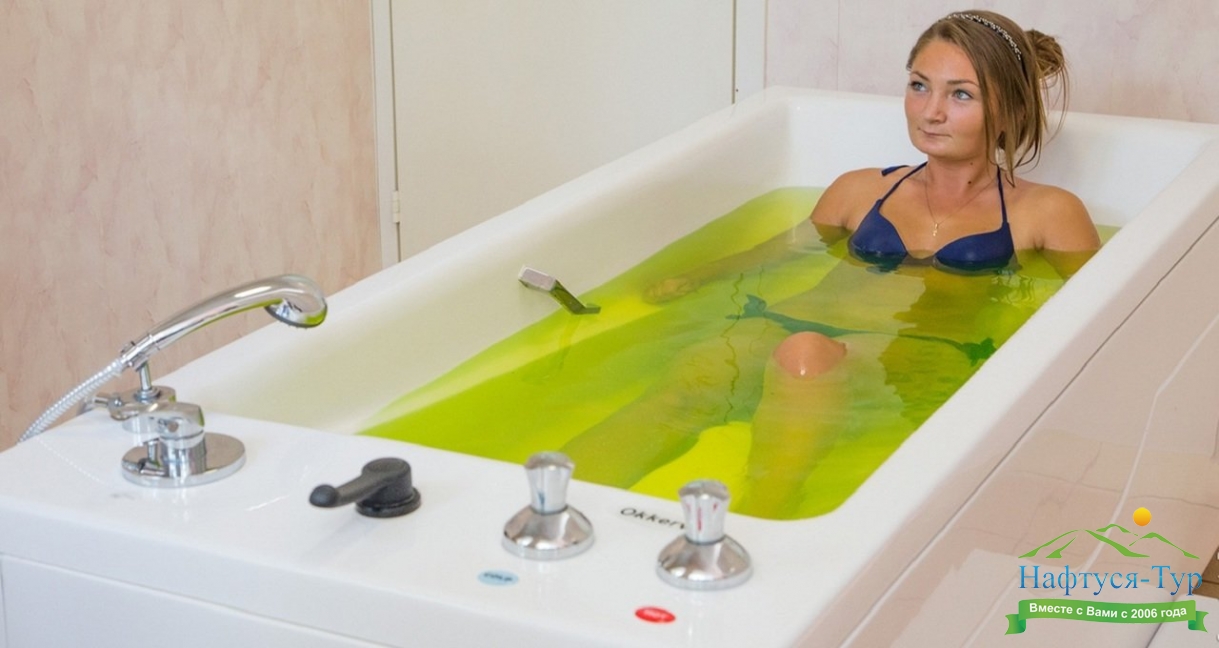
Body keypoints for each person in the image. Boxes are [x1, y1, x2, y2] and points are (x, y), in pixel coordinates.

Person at [559, 11, 1101, 518]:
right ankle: (543, 501)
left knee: (805, 358)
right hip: (785, 324)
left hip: (912, 357)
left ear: (1010, 110)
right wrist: (696, 277)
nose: (930, 111)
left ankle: (758, 530)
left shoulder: (1046, 213)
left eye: (961, 94)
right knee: (696, 373)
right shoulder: (858, 190)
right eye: (919, 85)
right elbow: (783, 252)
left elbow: (1104, 312)